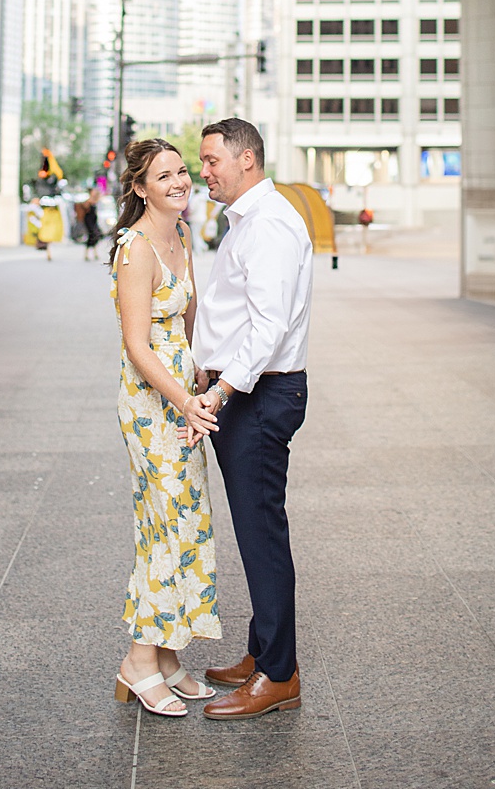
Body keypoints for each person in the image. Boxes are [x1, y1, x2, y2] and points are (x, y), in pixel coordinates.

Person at [189, 117, 313, 720]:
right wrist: (208, 374)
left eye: (211, 160)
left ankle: (278, 675)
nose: (202, 171)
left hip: (261, 396)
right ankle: (262, 650)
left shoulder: (269, 226)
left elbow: (269, 326)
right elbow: (235, 318)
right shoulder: (247, 222)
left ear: (247, 160)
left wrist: (220, 392)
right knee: (255, 531)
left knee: (262, 535)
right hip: (245, 390)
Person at [109, 138, 221, 717]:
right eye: (165, 175)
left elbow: (186, 319)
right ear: (139, 188)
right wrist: (184, 399)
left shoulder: (180, 236)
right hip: (152, 402)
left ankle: (169, 656)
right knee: (162, 520)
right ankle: (139, 662)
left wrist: (203, 378)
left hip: (183, 395)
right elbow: (136, 342)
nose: (180, 181)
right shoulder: (135, 248)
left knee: (187, 517)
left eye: (183, 171)